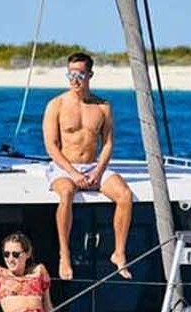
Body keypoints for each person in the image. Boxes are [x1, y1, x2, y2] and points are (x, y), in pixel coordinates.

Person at [42, 52, 135, 281]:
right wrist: (73, 173)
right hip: (65, 167)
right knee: (66, 193)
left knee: (124, 195)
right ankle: (65, 254)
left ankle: (119, 253)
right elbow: (51, 146)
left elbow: (108, 143)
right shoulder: (56, 105)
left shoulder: (103, 106)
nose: (75, 80)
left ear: (90, 75)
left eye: (80, 75)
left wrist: (98, 171)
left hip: (93, 166)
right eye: (71, 75)